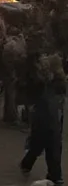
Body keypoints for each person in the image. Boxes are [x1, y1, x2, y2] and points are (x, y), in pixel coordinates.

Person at [21, 54, 66, 186]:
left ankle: (54, 174)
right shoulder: (45, 80)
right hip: (47, 116)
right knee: (42, 143)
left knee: (46, 143)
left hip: (48, 116)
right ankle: (53, 174)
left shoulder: (55, 82)